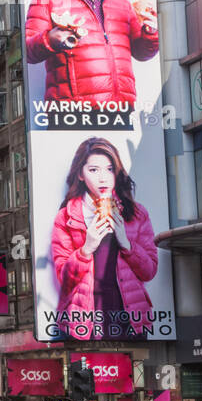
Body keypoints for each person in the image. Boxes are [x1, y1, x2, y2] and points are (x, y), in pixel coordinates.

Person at [24, 0, 159, 109]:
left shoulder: (122, 4)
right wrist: (50, 39)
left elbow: (141, 53)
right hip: (70, 113)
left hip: (121, 112)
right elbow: (27, 51)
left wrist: (150, 33)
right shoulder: (47, 0)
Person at [50, 138, 158, 326]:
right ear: (81, 174)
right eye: (93, 170)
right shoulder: (67, 216)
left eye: (109, 169)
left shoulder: (137, 213)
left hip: (130, 318)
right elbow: (64, 280)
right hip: (84, 321)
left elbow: (149, 272)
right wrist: (86, 249)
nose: (103, 177)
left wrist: (126, 243)